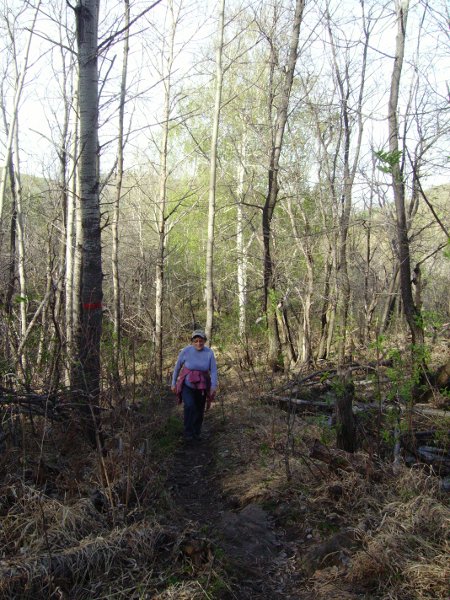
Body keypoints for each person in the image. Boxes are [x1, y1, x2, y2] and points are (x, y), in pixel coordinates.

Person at [171, 329, 218, 441]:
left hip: (202, 386)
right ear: (192, 341)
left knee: (199, 410)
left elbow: (214, 371)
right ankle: (188, 433)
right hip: (187, 385)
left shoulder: (209, 353)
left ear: (204, 341)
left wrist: (213, 386)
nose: (198, 343)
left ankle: (196, 433)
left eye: (200, 341)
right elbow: (177, 368)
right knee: (189, 406)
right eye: (196, 341)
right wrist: (173, 383)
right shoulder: (186, 351)